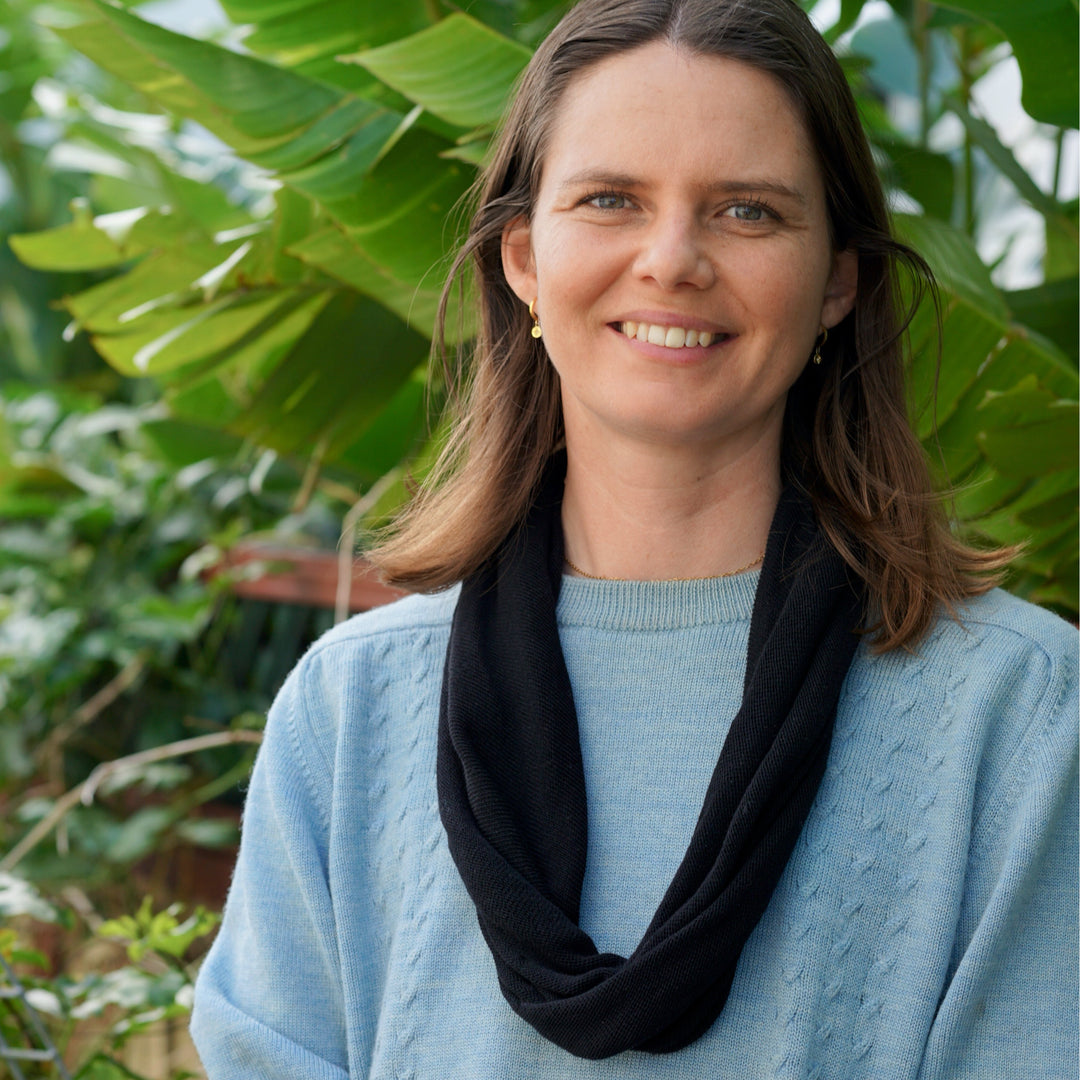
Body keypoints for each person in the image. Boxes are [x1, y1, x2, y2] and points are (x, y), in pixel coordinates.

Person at [190, 0, 1079, 1076]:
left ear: (837, 281)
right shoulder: (353, 708)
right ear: (523, 261)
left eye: (747, 212)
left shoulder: (1018, 711)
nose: (672, 260)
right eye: (610, 199)